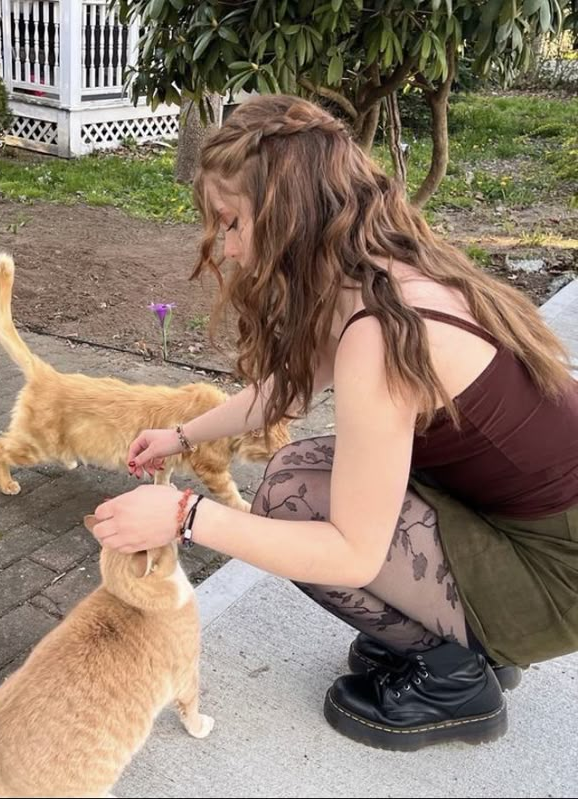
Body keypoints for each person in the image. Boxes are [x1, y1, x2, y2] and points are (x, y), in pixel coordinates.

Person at [90, 94, 578, 751]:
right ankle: (463, 635)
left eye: (232, 223)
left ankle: (458, 676)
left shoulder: (378, 333)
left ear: (289, 214)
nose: (229, 250)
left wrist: (183, 516)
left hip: (557, 568)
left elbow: (353, 552)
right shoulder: (376, 273)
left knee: (292, 506)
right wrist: (180, 438)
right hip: (524, 519)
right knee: (297, 473)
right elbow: (287, 389)